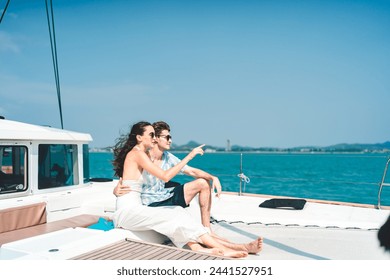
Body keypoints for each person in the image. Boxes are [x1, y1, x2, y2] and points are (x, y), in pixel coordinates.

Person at [112, 121, 262, 258]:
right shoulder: (138, 154)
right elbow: (164, 177)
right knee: (175, 216)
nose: (154, 138)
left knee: (178, 212)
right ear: (139, 137)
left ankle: (201, 246)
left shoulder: (142, 154)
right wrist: (189, 156)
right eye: (151, 135)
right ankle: (226, 249)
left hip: (134, 208)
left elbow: (127, 179)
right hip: (128, 212)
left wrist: (212, 177)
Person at [114, 121, 222, 235]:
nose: (170, 140)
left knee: (202, 183)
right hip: (148, 203)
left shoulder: (168, 157)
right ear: (156, 138)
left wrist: (213, 177)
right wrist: (116, 189)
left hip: (164, 196)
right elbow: (128, 176)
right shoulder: (143, 155)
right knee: (174, 185)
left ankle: (207, 229)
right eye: (167, 137)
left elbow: (191, 170)